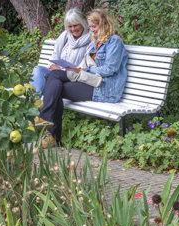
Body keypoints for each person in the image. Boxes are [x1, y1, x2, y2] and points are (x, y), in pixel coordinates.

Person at [36, 8, 129, 147]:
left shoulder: (114, 41)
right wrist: (79, 70)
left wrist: (85, 69)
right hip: (92, 82)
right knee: (55, 76)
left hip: (104, 89)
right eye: (90, 27)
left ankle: (49, 130)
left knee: (55, 87)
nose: (91, 30)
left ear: (103, 24)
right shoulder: (97, 42)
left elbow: (110, 69)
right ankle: (50, 132)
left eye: (93, 27)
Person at [30, 8, 91, 93]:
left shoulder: (90, 39)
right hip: (57, 72)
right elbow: (53, 59)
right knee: (38, 69)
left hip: (74, 76)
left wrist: (68, 72)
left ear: (82, 23)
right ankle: (33, 102)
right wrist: (56, 69)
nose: (73, 29)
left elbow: (86, 66)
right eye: (70, 26)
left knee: (52, 83)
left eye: (76, 25)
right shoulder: (65, 36)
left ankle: (36, 102)